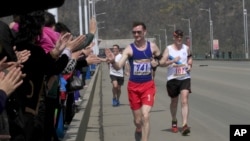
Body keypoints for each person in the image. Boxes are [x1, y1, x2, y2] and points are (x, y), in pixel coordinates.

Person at [105, 21, 161, 141]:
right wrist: (113, 61)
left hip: (148, 86)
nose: (136, 34)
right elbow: (119, 66)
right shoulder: (129, 49)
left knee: (145, 116)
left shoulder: (152, 47)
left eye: (139, 32)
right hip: (133, 87)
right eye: (134, 32)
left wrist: (156, 63)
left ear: (144, 32)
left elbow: (159, 58)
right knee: (138, 121)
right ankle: (138, 128)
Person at [152, 29, 192, 136]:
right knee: (174, 102)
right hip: (172, 79)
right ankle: (174, 120)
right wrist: (172, 61)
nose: (179, 39)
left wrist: (189, 66)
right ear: (174, 37)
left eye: (180, 37)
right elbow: (162, 63)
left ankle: (184, 125)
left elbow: (190, 58)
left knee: (184, 100)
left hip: (185, 77)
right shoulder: (168, 49)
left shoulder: (186, 48)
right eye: (177, 37)